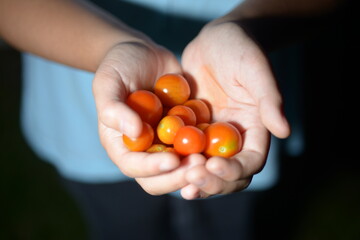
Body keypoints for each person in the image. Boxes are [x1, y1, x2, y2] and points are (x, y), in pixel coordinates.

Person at [0, 0, 342, 239]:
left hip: (239, 91)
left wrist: (247, 24)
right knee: (124, 226)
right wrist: (109, 48)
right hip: (84, 114)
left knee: (229, 223)